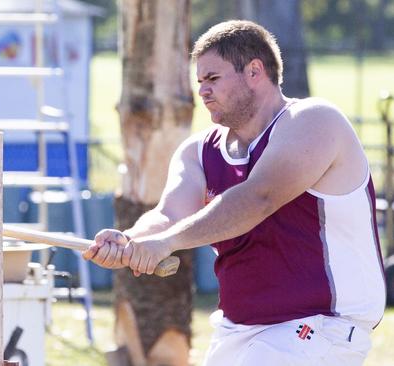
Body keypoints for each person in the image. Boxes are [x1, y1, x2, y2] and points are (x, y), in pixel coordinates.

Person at [83, 20, 386, 365]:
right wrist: (129, 239)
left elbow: (258, 198)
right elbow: (169, 216)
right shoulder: (197, 151)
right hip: (236, 330)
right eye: (199, 82)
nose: (202, 92)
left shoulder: (314, 121)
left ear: (255, 71)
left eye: (213, 78)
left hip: (318, 327)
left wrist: (165, 243)